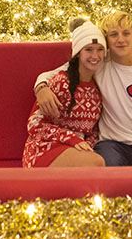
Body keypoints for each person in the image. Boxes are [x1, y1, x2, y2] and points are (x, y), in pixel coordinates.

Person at [34, 10, 132, 166]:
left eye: (126, 33)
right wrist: (41, 88)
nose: (120, 39)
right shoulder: (98, 63)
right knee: (105, 173)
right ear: (106, 40)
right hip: (112, 145)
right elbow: (56, 73)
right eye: (113, 34)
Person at [22, 18, 106, 168]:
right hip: (45, 148)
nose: (95, 55)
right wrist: (72, 139)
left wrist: (87, 145)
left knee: (96, 162)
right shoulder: (61, 82)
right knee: (96, 163)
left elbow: (93, 131)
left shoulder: (98, 88)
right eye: (88, 49)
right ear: (78, 53)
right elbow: (35, 124)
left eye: (100, 49)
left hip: (77, 150)